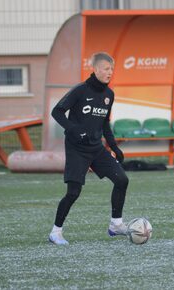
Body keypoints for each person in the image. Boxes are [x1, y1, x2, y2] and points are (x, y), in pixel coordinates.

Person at [49, 52, 129, 245]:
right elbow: (57, 112)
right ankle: (55, 232)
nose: (110, 72)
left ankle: (116, 224)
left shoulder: (109, 95)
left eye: (112, 69)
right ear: (95, 69)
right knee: (73, 192)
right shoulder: (80, 90)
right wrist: (74, 130)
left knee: (122, 180)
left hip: (96, 148)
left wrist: (114, 147)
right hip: (77, 149)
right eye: (106, 69)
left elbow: (104, 124)